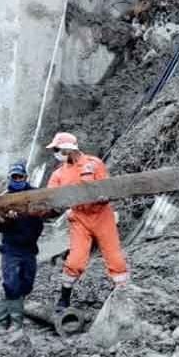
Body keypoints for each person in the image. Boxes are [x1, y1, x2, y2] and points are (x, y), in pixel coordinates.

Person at [46, 132, 129, 311]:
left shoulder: (94, 164)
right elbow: (50, 198)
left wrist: (104, 197)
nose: (55, 152)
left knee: (115, 258)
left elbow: (108, 188)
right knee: (75, 261)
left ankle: (123, 296)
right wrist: (58, 207)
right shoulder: (58, 174)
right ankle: (64, 298)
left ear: (68, 149)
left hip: (102, 215)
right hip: (79, 218)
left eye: (57, 149)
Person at [0, 162, 44, 332]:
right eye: (14, 177)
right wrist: (7, 221)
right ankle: (12, 322)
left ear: (25, 177)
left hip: (29, 248)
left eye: (20, 176)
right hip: (11, 248)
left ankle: (4, 316)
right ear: (9, 178)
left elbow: (45, 215)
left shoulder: (36, 194)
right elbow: (1, 227)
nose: (17, 179)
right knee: (11, 283)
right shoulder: (4, 198)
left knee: (26, 285)